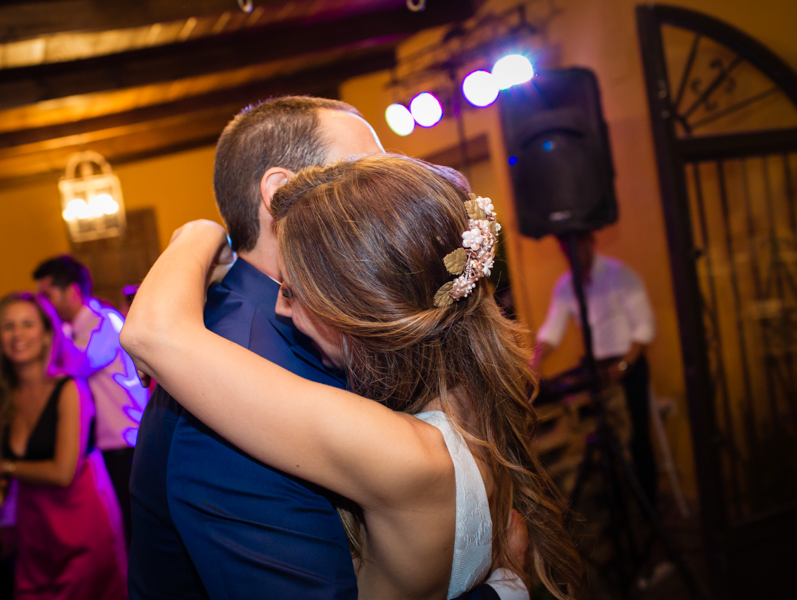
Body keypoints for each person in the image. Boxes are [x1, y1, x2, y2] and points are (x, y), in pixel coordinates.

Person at [122, 154, 581, 600]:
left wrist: (198, 232)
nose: (281, 306)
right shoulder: (475, 399)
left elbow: (151, 333)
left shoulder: (394, 449)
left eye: (295, 289)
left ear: (359, 308)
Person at [0, 291, 127, 599]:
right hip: (34, 527)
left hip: (80, 520)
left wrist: (4, 468)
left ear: (46, 335)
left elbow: (62, 472)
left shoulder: (71, 389)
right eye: (8, 326)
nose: (17, 334)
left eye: (27, 324)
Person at [532, 231, 658, 504]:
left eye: (577, 248)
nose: (572, 256)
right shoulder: (566, 286)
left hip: (628, 365)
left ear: (591, 243)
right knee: (598, 436)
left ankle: (648, 506)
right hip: (596, 369)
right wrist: (533, 365)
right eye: (567, 251)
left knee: (637, 437)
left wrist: (622, 368)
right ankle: (615, 503)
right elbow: (551, 333)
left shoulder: (619, 275)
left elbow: (645, 328)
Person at [34, 256, 148, 542]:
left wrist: (48, 330)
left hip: (125, 445)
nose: (41, 304)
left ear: (71, 292)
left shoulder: (103, 321)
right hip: (104, 449)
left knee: (137, 530)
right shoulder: (74, 329)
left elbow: (76, 366)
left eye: (46, 295)